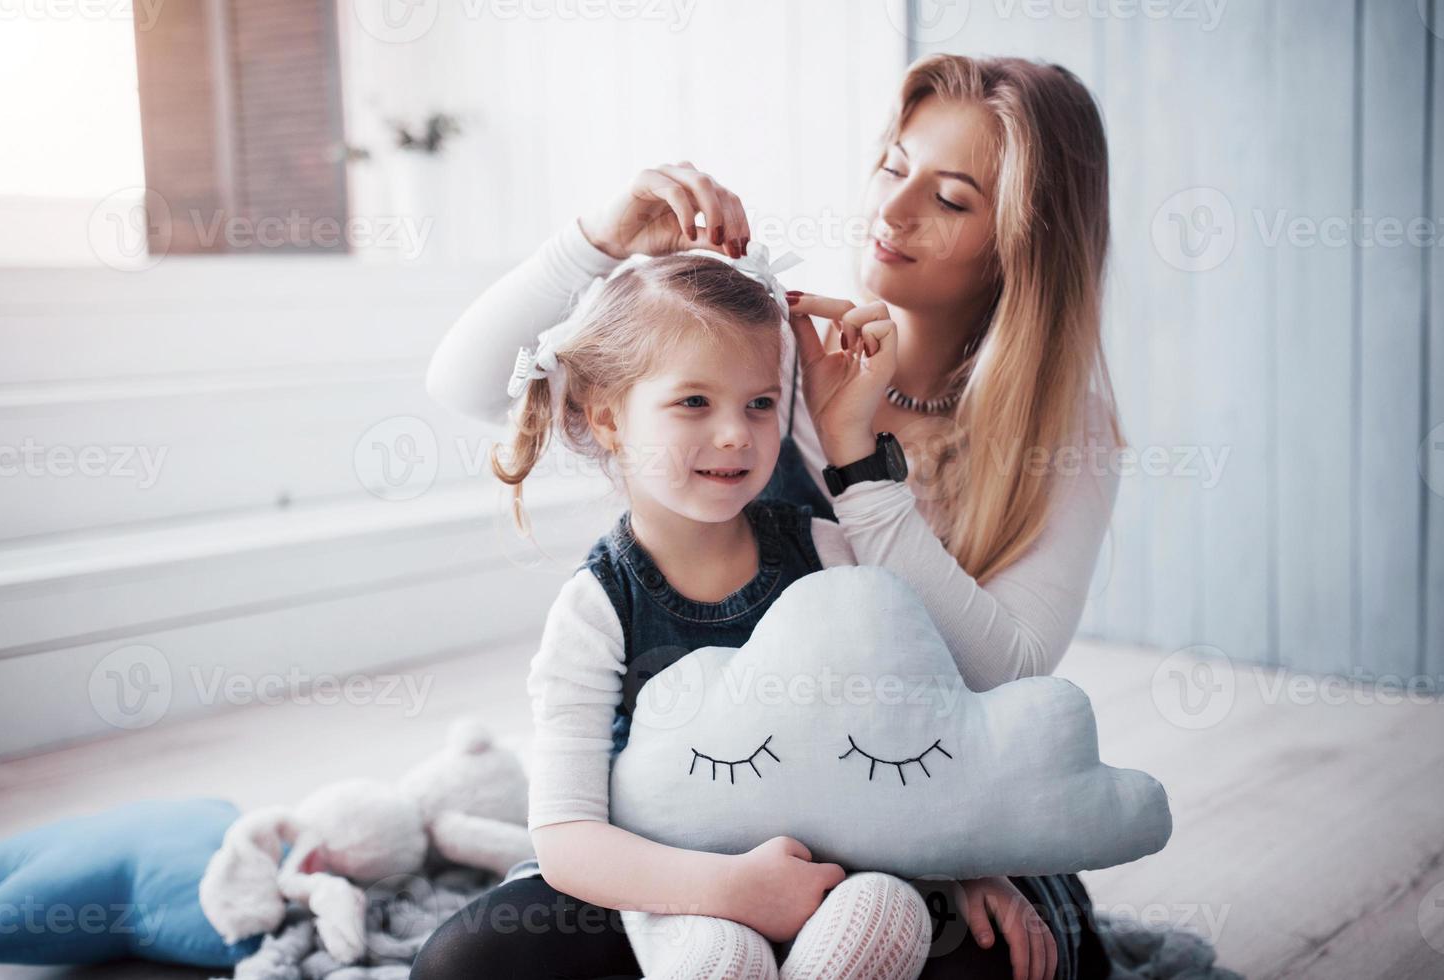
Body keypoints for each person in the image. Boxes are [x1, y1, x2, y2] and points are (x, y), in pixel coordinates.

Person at [419, 51, 1122, 980]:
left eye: (950, 199)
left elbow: (1004, 668)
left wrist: (858, 460)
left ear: (1023, 242)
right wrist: (601, 237)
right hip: (696, 816)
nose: (893, 211)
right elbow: (472, 386)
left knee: (981, 961)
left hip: (923, 794)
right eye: (891, 166)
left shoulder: (1066, 429)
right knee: (471, 961)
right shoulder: (767, 352)